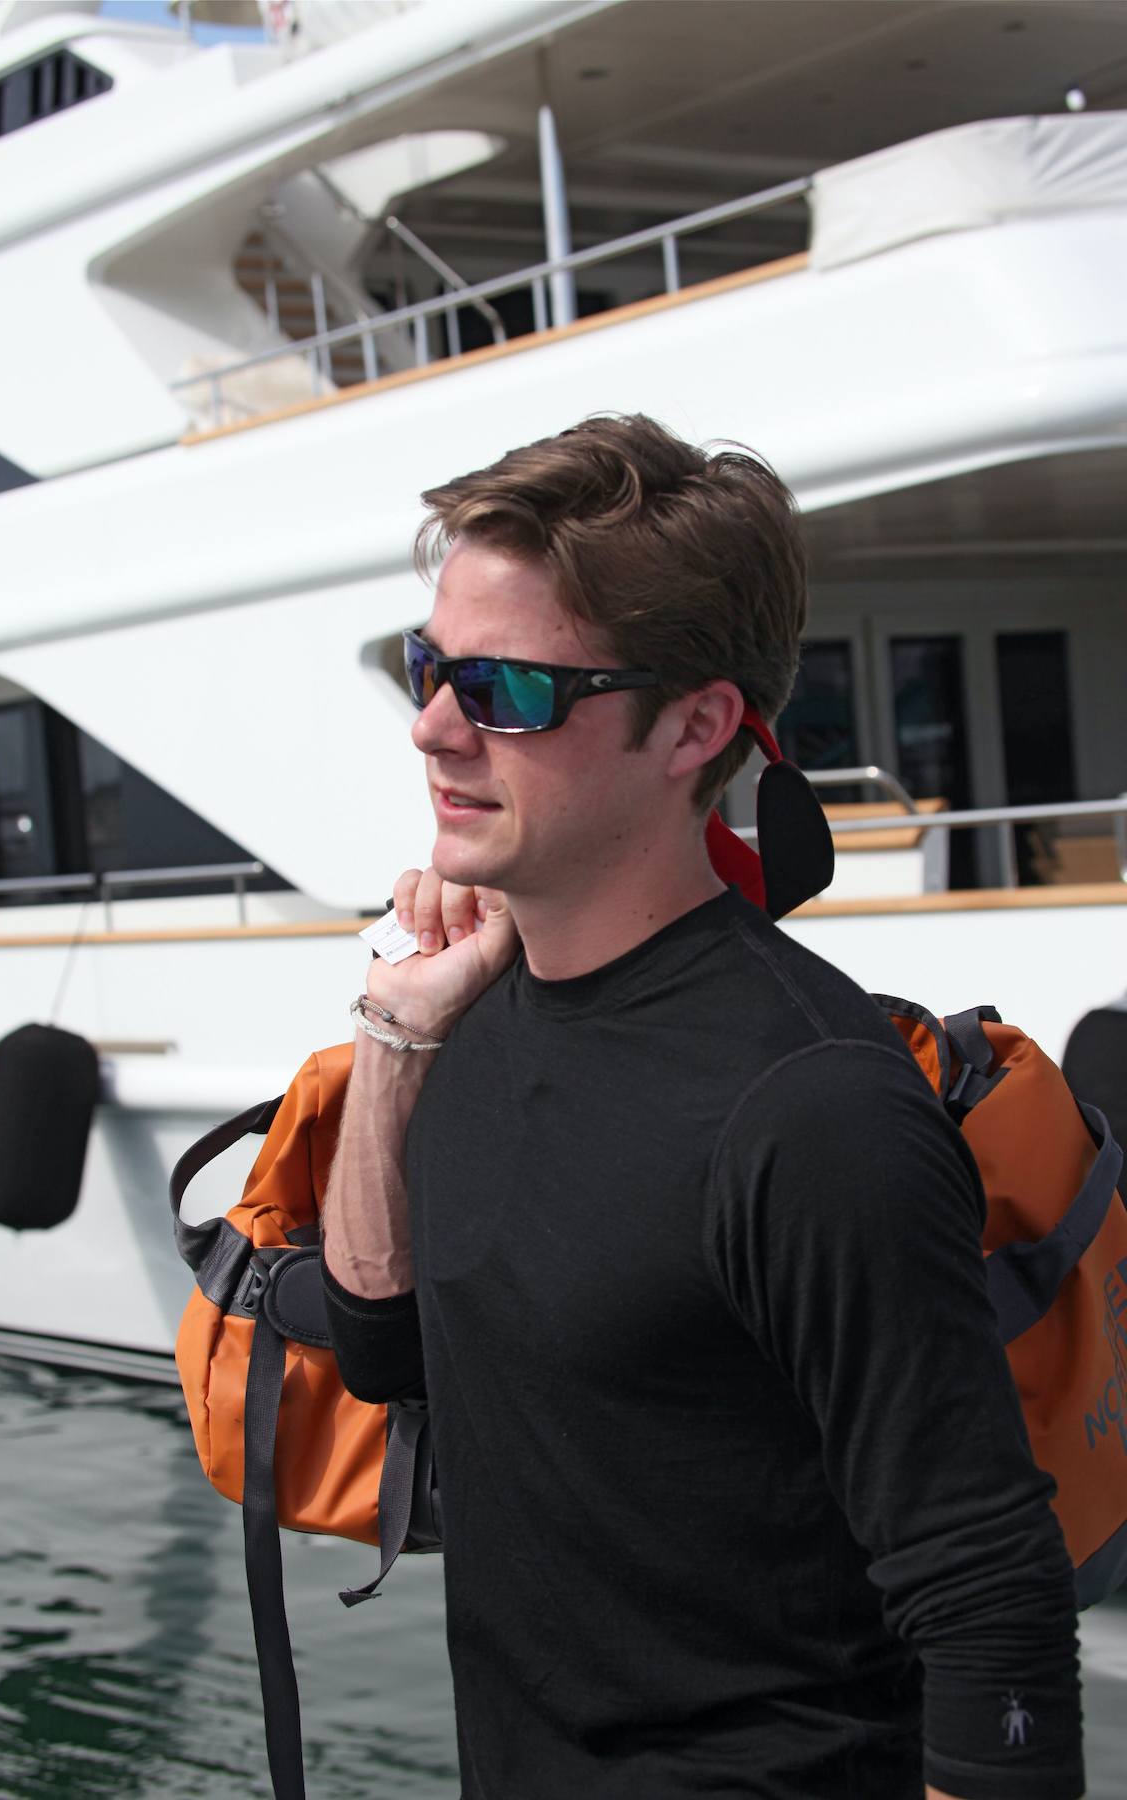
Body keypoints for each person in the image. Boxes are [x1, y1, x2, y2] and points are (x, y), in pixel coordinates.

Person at [319, 415, 1083, 1800]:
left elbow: (989, 1599)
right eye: (431, 670)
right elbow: (379, 1349)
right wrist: (395, 1034)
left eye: (506, 690)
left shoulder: (814, 1107)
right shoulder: (464, 1027)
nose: (432, 726)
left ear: (696, 726)